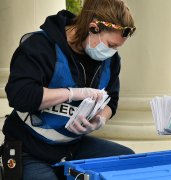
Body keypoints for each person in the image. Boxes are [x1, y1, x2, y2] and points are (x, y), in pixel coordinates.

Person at [2, 0, 136, 179]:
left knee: (129, 163)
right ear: (93, 27)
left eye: (117, 47)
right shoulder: (40, 46)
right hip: (29, 148)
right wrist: (71, 93)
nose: (112, 52)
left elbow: (112, 99)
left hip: (72, 147)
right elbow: (20, 95)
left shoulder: (111, 60)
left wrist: (101, 118)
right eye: (111, 45)